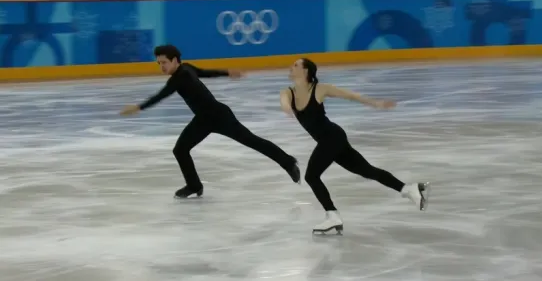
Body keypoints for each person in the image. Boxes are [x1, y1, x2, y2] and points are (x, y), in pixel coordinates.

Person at [120, 44, 300, 198]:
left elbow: (162, 94)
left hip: (219, 116)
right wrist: (227, 72)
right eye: (159, 63)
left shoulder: (180, 76)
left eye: (164, 62)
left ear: (175, 60)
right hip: (203, 119)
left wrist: (139, 107)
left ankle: (288, 162)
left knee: (251, 141)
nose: (161, 67)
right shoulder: (186, 69)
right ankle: (194, 186)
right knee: (180, 150)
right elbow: (205, 73)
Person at [279, 58, 430, 234]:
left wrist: (376, 103)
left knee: (311, 176)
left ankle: (332, 216)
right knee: (366, 170)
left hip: (333, 137)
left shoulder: (320, 89)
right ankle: (408, 189)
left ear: (305, 71)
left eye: (296, 65)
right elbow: (284, 101)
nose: (291, 67)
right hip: (331, 140)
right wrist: (287, 108)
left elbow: (350, 96)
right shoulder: (288, 92)